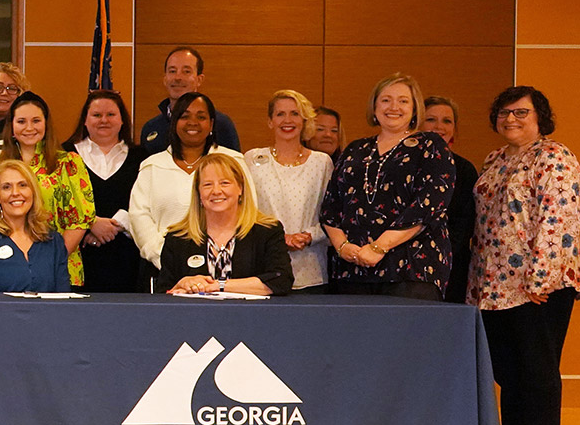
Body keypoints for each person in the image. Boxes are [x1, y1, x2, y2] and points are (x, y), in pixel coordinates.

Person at [469, 86, 580, 425]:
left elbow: (558, 219)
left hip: (538, 284)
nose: (510, 119)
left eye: (520, 112)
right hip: (493, 283)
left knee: (537, 366)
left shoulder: (554, 157)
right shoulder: (495, 159)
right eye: (504, 113)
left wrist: (541, 279)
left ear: (539, 117)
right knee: (507, 366)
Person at [320, 74, 455, 301]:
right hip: (352, 271)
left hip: (411, 270)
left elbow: (428, 205)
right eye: (385, 100)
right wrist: (342, 247)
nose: (394, 107)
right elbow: (330, 207)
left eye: (403, 101)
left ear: (415, 109)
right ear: (374, 107)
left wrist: (379, 248)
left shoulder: (430, 145)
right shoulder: (355, 149)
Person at [128, 92, 244, 289]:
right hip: (163, 270)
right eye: (184, 116)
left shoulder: (234, 161)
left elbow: (248, 211)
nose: (193, 122)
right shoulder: (152, 165)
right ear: (174, 121)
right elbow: (139, 217)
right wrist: (167, 259)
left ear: (212, 124)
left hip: (226, 273)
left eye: (201, 117)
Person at [159, 152, 292, 297]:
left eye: (224, 183)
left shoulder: (267, 231)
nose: (216, 191)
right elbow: (163, 292)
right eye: (208, 184)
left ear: (240, 188)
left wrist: (218, 285)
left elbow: (281, 280)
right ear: (199, 193)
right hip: (194, 317)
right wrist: (182, 283)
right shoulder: (178, 238)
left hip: (251, 317)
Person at [244, 90, 333, 292]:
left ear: (304, 120)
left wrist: (309, 236)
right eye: (280, 114)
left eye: (294, 113)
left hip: (312, 272)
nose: (288, 120)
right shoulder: (252, 159)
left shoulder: (322, 163)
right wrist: (277, 237)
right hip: (263, 270)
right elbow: (244, 211)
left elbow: (333, 215)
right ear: (270, 121)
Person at [4, 92, 95, 286]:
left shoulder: (68, 163)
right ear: (11, 127)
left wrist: (48, 261)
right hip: (11, 269)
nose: (29, 128)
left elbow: (79, 221)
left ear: (46, 124)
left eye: (36, 120)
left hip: (60, 268)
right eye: (21, 121)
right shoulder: (0, 166)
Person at [65, 90, 144, 293]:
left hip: (127, 259)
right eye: (97, 115)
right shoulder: (64, 154)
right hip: (78, 257)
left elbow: (148, 202)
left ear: (122, 120)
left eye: (111, 115)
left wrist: (117, 224)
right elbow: (60, 202)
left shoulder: (142, 157)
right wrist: (91, 223)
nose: (104, 120)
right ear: (85, 120)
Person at [0, 160, 71, 293]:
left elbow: (63, 299)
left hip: (46, 314)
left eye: (22, 185)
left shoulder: (53, 241)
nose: (15, 193)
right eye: (6, 187)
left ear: (33, 192)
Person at [137, 47, 241, 155]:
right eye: (172, 71)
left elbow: (233, 169)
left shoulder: (220, 124)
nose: (177, 77)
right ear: (165, 79)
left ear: (199, 79)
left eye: (186, 71)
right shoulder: (151, 128)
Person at [424, 96, 478, 304]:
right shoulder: (403, 165)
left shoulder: (464, 169)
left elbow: (465, 225)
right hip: (407, 269)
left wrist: (437, 258)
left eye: (447, 121)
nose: (439, 126)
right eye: (431, 119)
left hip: (452, 268)